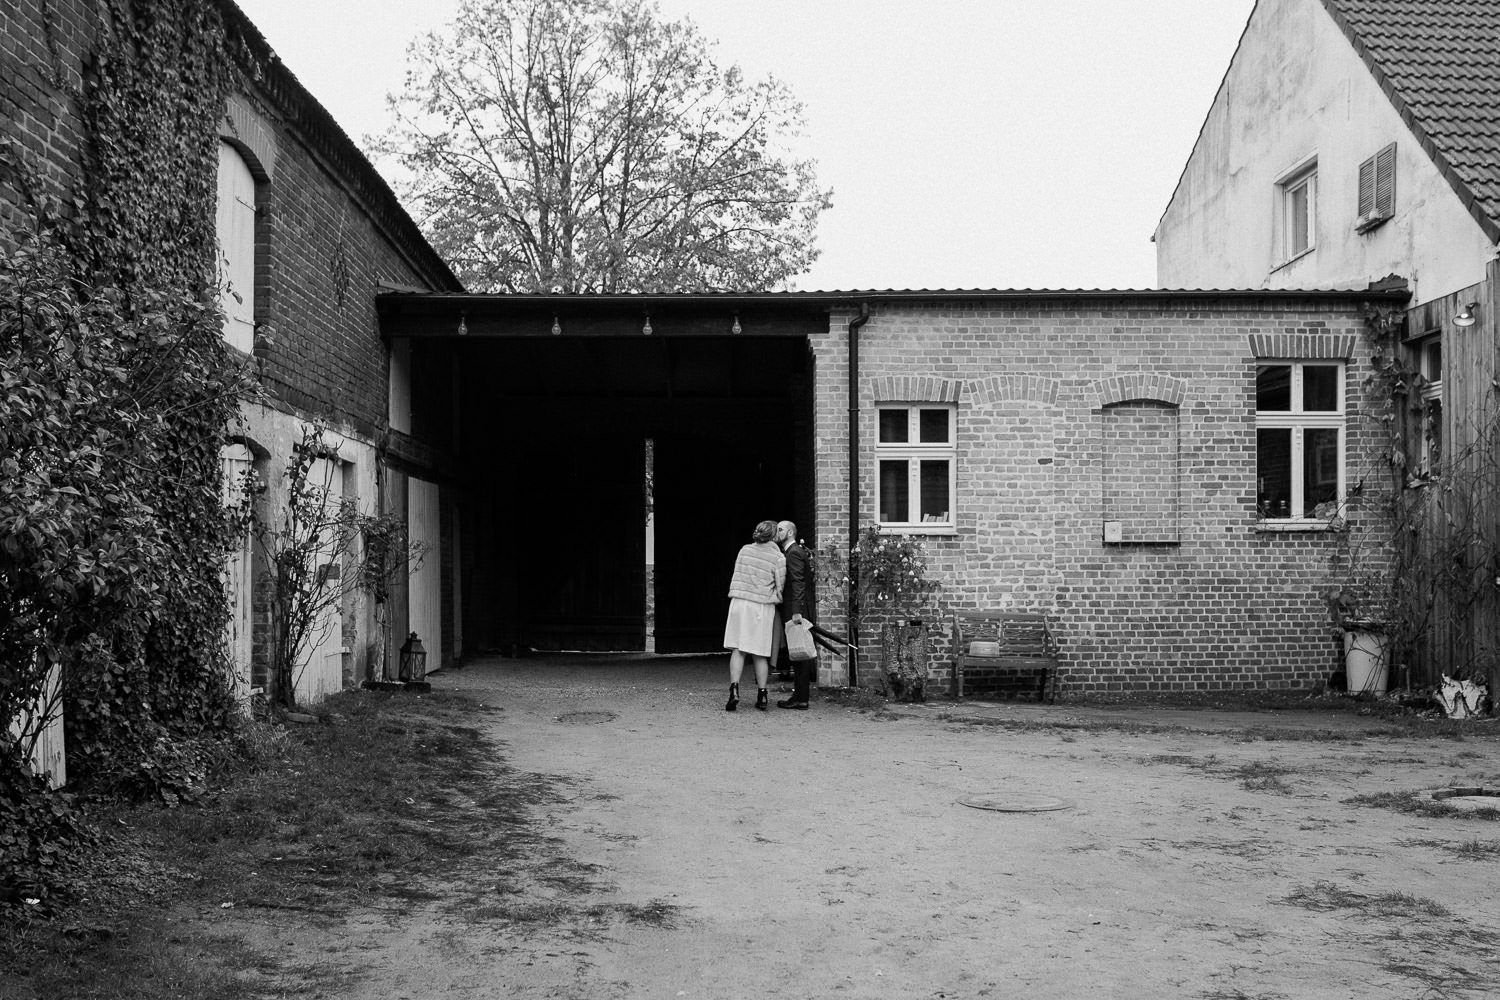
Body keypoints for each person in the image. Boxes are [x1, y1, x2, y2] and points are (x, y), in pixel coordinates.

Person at [723, 519, 785, 711]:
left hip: (740, 602)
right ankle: (763, 695)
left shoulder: (744, 550)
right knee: (759, 652)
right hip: (761, 605)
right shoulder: (778, 557)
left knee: (738, 649)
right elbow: (780, 585)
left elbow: (737, 572)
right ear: (774, 536)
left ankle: (734, 690)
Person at [774, 520, 814, 710]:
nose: (777, 532)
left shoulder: (794, 553)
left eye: (780, 529)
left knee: (800, 652)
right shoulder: (792, 552)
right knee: (797, 652)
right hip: (795, 607)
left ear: (790, 532)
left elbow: (798, 582)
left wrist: (797, 611)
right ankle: (799, 697)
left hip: (796, 609)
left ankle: (801, 698)